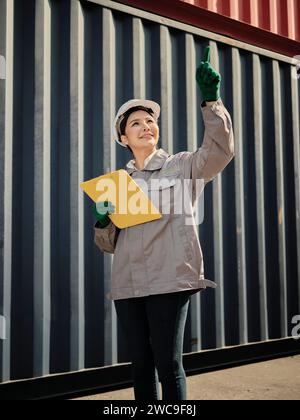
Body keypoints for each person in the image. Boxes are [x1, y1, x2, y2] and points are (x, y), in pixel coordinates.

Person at [93, 47, 234, 400]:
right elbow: (108, 245)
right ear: (123, 138)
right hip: (127, 284)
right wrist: (102, 221)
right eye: (135, 123)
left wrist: (211, 101)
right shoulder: (116, 183)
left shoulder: (183, 166)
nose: (146, 126)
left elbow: (220, 151)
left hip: (169, 279)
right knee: (140, 365)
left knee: (168, 365)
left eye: (151, 120)